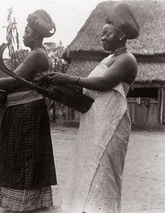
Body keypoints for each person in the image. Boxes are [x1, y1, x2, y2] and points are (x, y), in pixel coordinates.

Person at [42, 2, 139, 213]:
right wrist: (59, 82)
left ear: (121, 35)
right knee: (89, 167)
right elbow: (89, 86)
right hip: (95, 121)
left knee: (105, 171)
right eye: (101, 34)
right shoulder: (109, 58)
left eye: (106, 33)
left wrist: (67, 77)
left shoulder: (127, 59)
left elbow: (102, 83)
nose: (102, 38)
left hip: (112, 124)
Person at [0, 9, 57, 212]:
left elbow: (12, 82)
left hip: (27, 112)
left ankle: (25, 203)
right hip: (21, 110)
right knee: (20, 155)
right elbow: (15, 81)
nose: (24, 35)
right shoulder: (36, 54)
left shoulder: (36, 55)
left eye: (27, 31)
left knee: (24, 155)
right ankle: (24, 202)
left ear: (36, 35)